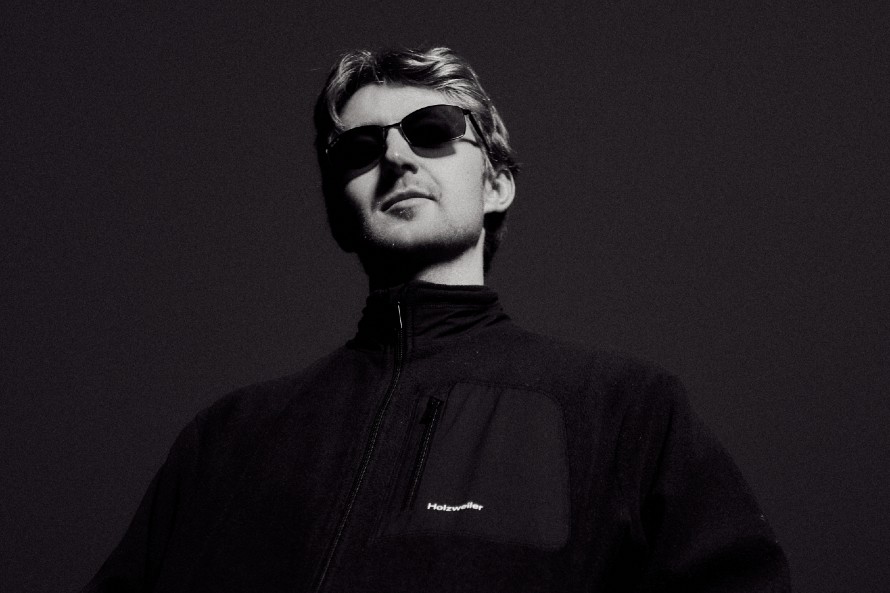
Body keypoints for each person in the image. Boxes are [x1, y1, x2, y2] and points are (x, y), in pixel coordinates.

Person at [82, 47, 790, 592]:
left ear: (496, 183)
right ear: (338, 212)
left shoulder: (624, 410)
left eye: (431, 132)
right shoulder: (228, 440)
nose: (395, 155)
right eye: (360, 149)